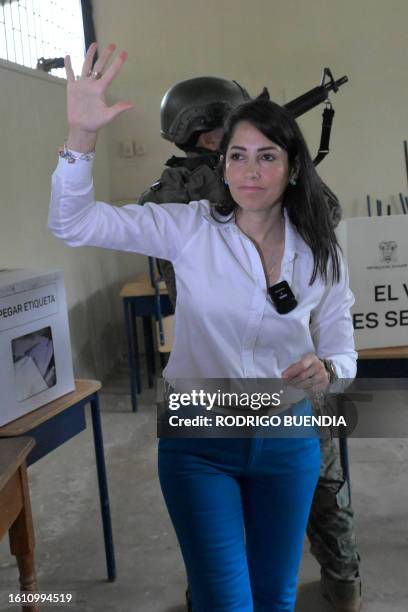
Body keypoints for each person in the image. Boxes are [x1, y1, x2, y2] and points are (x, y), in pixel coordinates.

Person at [49, 43, 357, 611]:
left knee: (277, 596)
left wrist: (330, 367)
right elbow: (72, 222)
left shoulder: (320, 242)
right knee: (222, 600)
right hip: (199, 432)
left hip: (289, 430)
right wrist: (81, 136)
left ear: (292, 164)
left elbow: (342, 344)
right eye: (234, 154)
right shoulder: (185, 224)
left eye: (267, 156)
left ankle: (346, 581)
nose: (247, 170)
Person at [140, 78, 362, 611]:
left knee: (319, 489)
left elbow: (322, 223)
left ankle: (342, 584)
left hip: (291, 374)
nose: (244, 161)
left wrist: (281, 166)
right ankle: (333, 583)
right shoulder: (176, 193)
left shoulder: (240, 175)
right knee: (231, 527)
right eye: (229, 142)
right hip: (212, 387)